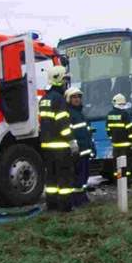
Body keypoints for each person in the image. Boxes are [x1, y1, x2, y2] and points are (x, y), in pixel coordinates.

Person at [39, 66, 77, 212]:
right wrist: (71, 141)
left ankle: (52, 205)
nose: (65, 83)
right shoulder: (59, 99)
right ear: (59, 79)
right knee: (64, 177)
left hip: (47, 147)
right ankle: (65, 207)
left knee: (51, 178)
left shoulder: (44, 99)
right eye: (64, 80)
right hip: (60, 147)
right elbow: (63, 124)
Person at [66, 87, 93, 207]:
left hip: (85, 151)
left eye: (78, 97)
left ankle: (83, 197)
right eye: (74, 97)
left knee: (84, 176)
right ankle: (77, 200)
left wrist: (92, 147)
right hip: (77, 153)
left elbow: (87, 132)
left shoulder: (80, 113)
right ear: (68, 99)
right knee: (77, 178)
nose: (77, 99)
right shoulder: (69, 114)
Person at [106, 93, 132, 181]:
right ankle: (126, 182)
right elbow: (129, 129)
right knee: (126, 164)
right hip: (125, 145)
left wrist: (112, 139)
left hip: (115, 145)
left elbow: (108, 129)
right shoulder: (125, 114)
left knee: (116, 165)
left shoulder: (110, 114)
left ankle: (118, 180)